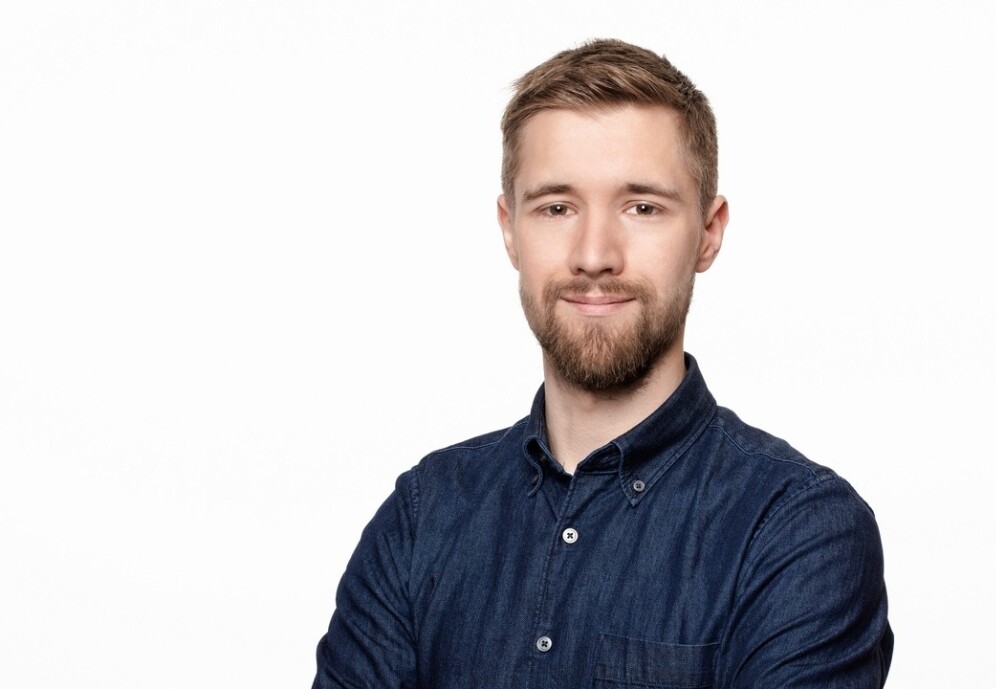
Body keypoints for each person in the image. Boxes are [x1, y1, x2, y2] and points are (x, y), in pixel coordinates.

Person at [313, 38, 893, 688]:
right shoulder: (423, 516)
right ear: (510, 228)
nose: (594, 255)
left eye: (642, 207)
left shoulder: (797, 529)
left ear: (708, 232)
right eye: (557, 208)